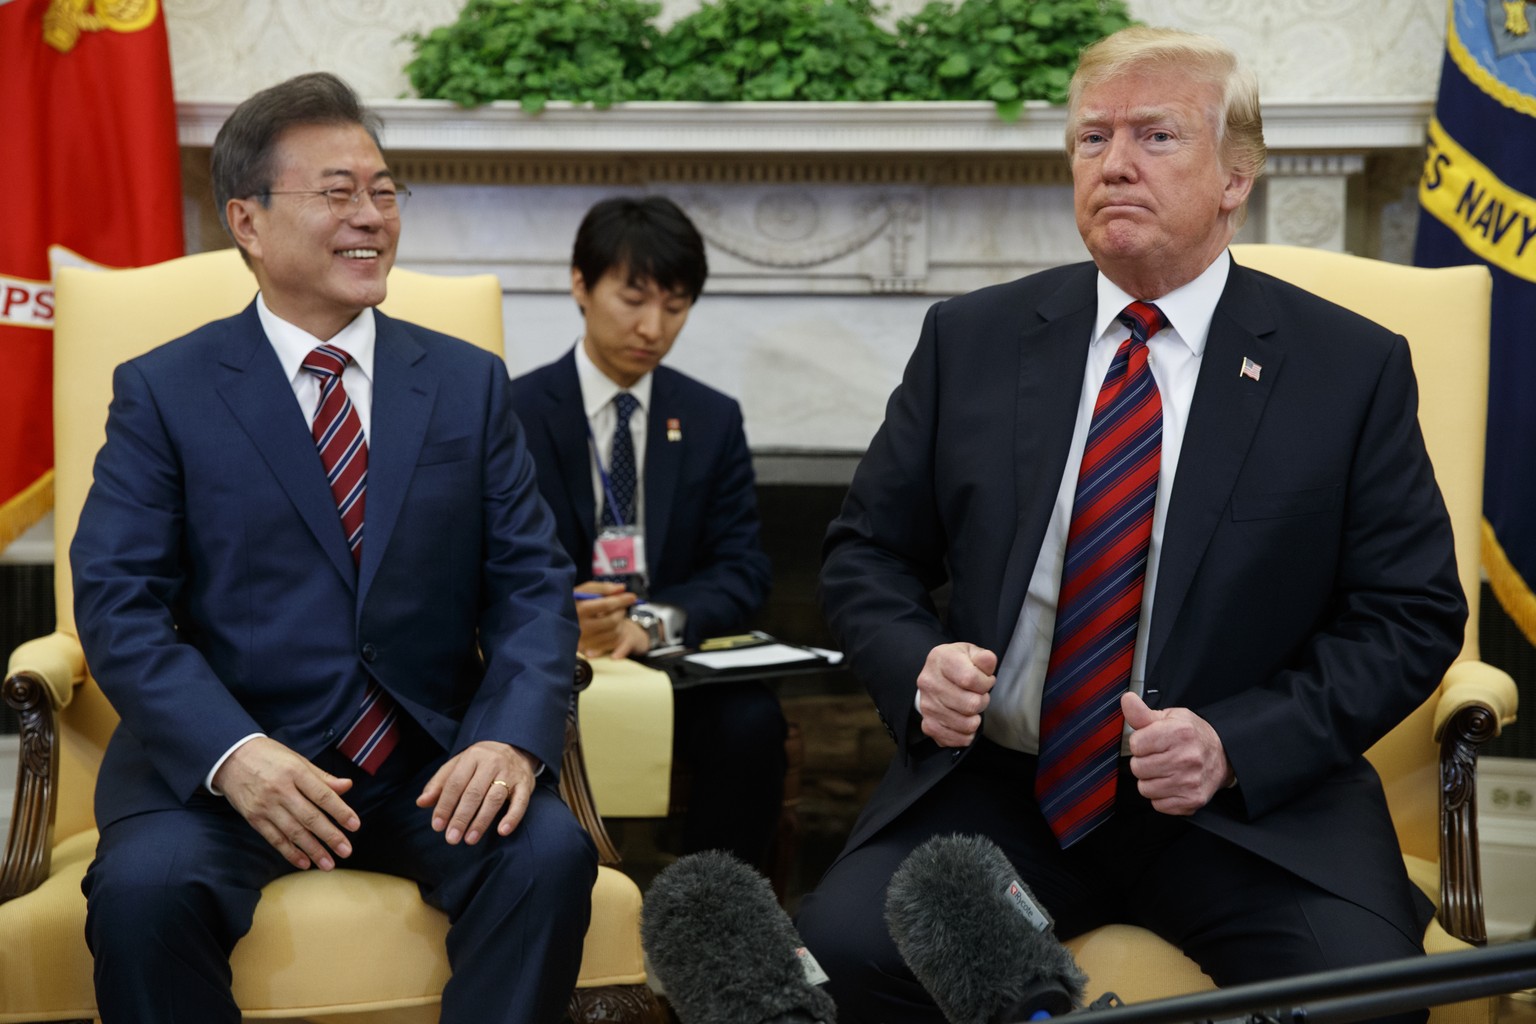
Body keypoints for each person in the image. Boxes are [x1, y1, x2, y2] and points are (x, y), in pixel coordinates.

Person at [794, 26, 1466, 1024]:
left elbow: (1409, 613)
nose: (1113, 164)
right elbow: (866, 555)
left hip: (1241, 812)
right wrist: (915, 664)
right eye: (1091, 137)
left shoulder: (1345, 368)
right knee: (848, 947)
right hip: (1004, 790)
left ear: (1237, 176)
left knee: (1362, 994)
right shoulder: (970, 341)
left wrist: (1237, 741)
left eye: (1155, 136)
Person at [70, 72, 595, 1023]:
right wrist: (234, 754)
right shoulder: (164, 391)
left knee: (548, 859)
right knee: (145, 896)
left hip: (422, 762)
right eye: (337, 192)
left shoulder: (467, 386)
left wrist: (512, 737)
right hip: (228, 771)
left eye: (384, 191)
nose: (372, 216)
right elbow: (118, 602)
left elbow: (531, 584)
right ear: (249, 221)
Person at [510, 195, 786, 867]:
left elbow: (743, 569)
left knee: (751, 720)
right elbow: (491, 560)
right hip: (552, 660)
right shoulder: (513, 409)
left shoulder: (711, 418)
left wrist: (649, 624)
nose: (653, 326)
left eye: (675, 305)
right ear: (581, 282)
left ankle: (712, 923)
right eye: (633, 298)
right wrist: (567, 618)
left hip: (666, 658)